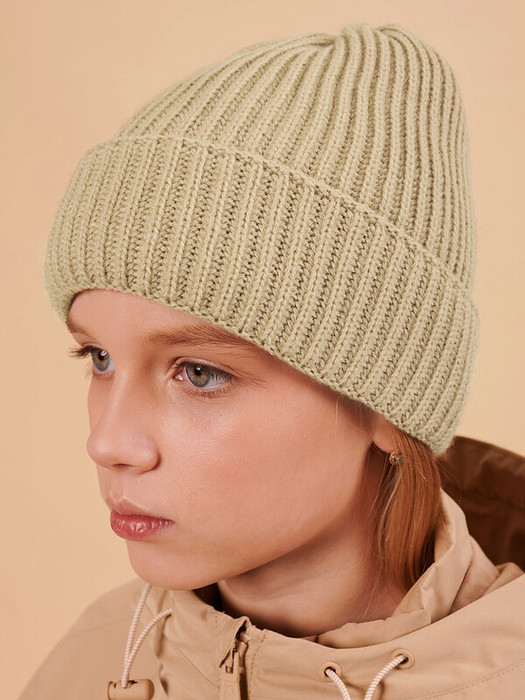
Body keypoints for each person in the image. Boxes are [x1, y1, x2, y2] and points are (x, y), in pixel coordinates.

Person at [20, 22, 524, 699]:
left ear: (385, 403)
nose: (107, 443)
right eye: (100, 357)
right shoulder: (99, 654)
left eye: (199, 373)